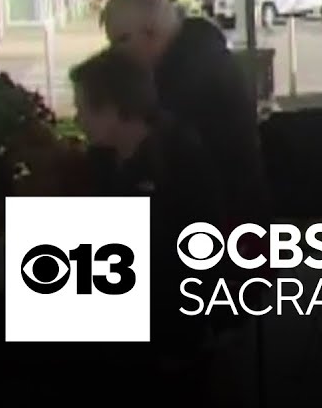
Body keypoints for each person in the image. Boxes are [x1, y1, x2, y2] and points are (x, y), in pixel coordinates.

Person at [69, 48, 225, 399]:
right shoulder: (107, 159)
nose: (77, 118)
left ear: (113, 107)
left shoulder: (179, 160)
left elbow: (197, 258)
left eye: (83, 108)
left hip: (168, 339)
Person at [99, 0, 268, 228]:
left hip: (225, 227)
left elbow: (160, 155)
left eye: (120, 40)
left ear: (151, 32)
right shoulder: (198, 55)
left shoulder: (186, 76)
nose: (116, 53)